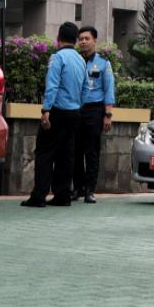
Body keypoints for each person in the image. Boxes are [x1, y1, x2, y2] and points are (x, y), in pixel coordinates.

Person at [21, 22, 86, 208]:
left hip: (57, 111)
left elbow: (52, 85)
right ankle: (63, 195)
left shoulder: (57, 58)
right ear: (75, 40)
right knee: (66, 155)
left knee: (44, 153)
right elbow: (84, 90)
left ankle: (39, 196)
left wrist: (45, 110)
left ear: (58, 38)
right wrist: (77, 108)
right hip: (74, 112)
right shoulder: (81, 61)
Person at [72, 25, 115, 204]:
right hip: (75, 110)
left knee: (92, 152)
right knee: (75, 151)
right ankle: (78, 189)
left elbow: (109, 89)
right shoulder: (74, 61)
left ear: (94, 41)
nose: (83, 42)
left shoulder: (104, 64)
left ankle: (90, 190)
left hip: (94, 111)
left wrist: (108, 114)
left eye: (86, 38)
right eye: (80, 39)